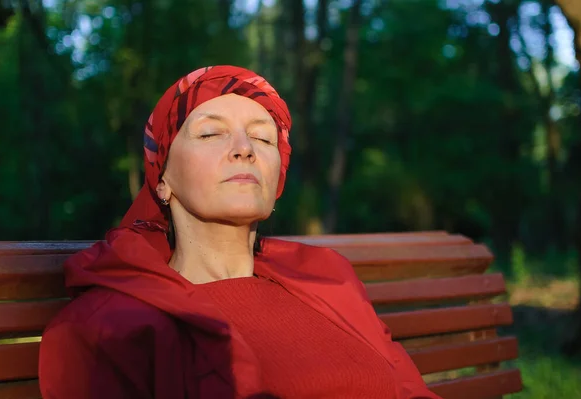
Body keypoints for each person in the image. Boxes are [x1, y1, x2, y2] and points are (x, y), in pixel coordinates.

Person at [38, 65, 441, 399]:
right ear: (162, 180)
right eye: (210, 133)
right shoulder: (106, 328)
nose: (244, 147)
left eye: (263, 137)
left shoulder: (329, 279)